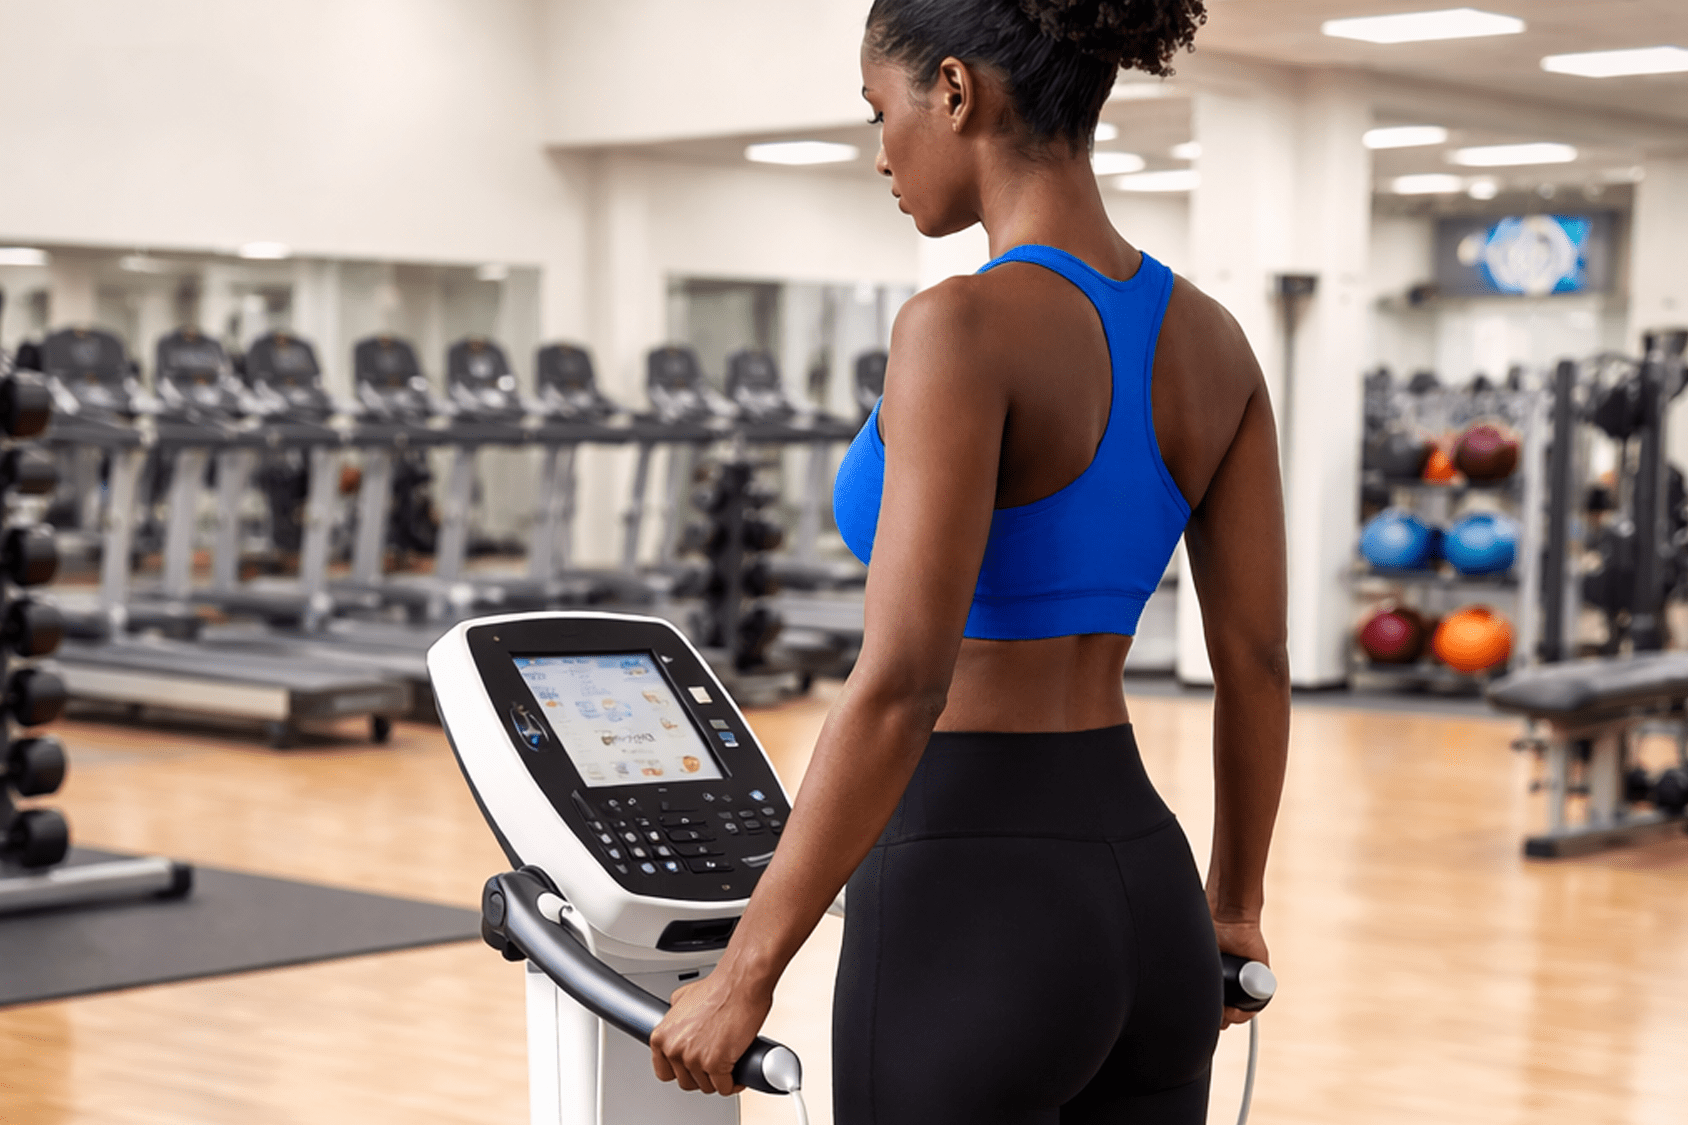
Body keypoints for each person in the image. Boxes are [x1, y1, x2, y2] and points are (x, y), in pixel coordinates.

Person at [651, 1, 1289, 1120]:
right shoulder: (1213, 339)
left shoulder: (958, 328)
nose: (880, 155)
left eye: (879, 113)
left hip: (974, 891)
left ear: (954, 91)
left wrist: (741, 975)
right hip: (1148, 891)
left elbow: (901, 684)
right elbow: (1258, 659)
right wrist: (1230, 906)